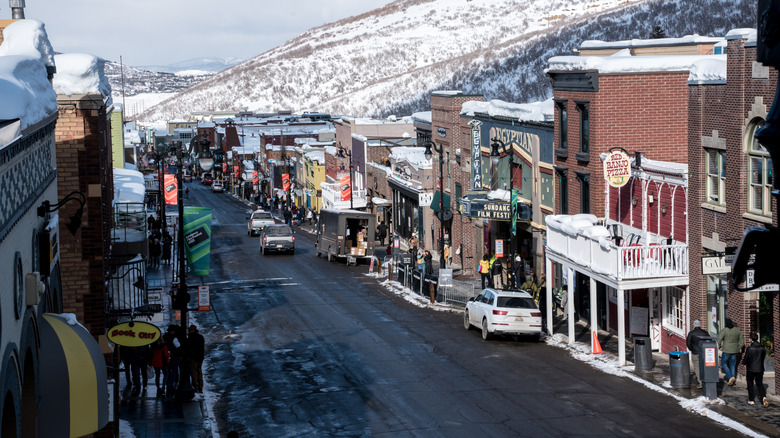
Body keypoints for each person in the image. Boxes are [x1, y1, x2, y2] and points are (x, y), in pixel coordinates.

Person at [743, 332, 769, 407]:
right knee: (759, 383)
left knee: (750, 383)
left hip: (751, 368)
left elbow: (746, 358)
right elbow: (763, 357)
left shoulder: (750, 348)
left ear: (751, 339)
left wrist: (744, 363)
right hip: (760, 368)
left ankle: (751, 400)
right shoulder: (762, 348)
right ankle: (763, 397)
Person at [718, 318, 745, 386]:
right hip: (735, 350)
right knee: (733, 365)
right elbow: (742, 341)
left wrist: (719, 346)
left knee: (723, 363)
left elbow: (719, 339)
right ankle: (733, 380)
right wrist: (738, 347)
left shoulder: (724, 330)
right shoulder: (737, 330)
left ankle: (730, 377)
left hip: (726, 350)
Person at [686, 319, 710, 388]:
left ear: (694, 325)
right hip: (704, 352)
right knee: (704, 366)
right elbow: (709, 341)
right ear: (700, 325)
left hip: (695, 352)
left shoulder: (691, 333)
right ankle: (706, 379)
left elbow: (688, 343)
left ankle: (700, 382)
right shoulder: (705, 332)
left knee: (697, 367)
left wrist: (692, 349)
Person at [188, 325, 206, 393]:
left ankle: (195, 387)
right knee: (199, 372)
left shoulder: (191, 338)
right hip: (200, 357)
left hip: (193, 357)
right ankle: (200, 387)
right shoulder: (200, 337)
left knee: (194, 373)